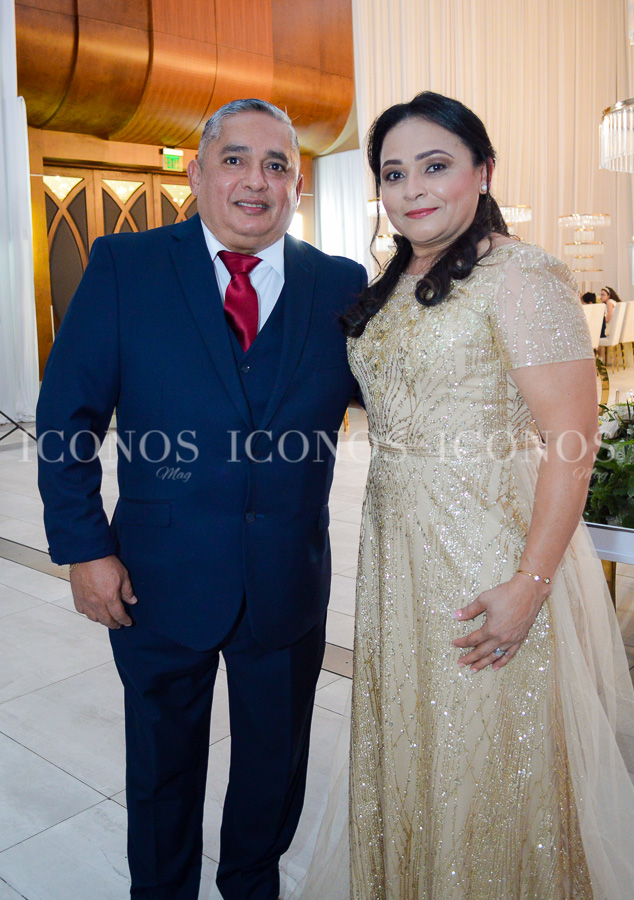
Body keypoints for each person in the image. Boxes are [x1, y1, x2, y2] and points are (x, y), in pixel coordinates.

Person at [36, 98, 367, 900]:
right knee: (161, 768)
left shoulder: (341, 284)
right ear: (197, 171)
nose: (256, 181)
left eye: (277, 165)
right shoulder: (126, 266)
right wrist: (85, 547)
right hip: (156, 576)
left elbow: (401, 401)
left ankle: (251, 887)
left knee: (274, 768)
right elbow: (66, 418)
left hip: (287, 578)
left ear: (296, 184)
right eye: (235, 159)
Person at [341, 92, 634, 898]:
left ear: (483, 171)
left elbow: (572, 443)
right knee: (416, 738)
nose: (412, 189)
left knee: (486, 749)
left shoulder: (522, 274)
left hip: (483, 556)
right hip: (396, 548)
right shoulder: (395, 280)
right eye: (393, 173)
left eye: (435, 165)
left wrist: (528, 585)